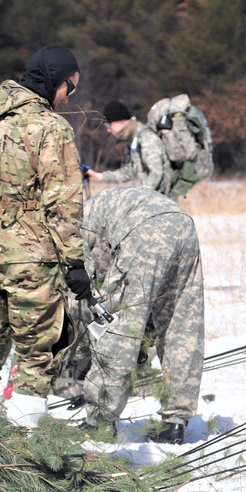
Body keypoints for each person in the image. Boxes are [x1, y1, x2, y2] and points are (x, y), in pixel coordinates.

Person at [0, 45, 88, 430]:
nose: (67, 97)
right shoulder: (49, 127)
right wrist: (74, 260)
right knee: (35, 354)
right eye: (68, 88)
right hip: (30, 255)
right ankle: (26, 455)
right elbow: (62, 200)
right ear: (53, 80)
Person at [71, 186, 205, 444]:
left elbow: (100, 298)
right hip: (183, 225)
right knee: (182, 326)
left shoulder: (79, 226)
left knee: (121, 324)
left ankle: (99, 421)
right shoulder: (103, 206)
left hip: (144, 232)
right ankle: (175, 423)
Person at [85, 100, 177, 199]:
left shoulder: (146, 137)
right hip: (156, 196)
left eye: (109, 125)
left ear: (121, 121)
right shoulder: (134, 139)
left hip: (165, 199)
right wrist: (100, 177)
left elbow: (156, 172)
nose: (108, 130)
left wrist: (141, 196)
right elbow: (128, 172)